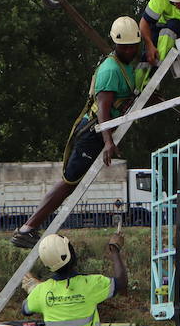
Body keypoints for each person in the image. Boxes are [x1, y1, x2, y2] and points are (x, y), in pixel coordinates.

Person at [11, 17, 147, 248]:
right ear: (115, 44)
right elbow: (103, 110)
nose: (129, 50)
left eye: (133, 46)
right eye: (124, 46)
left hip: (101, 132)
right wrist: (107, 142)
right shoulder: (110, 69)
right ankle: (27, 229)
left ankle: (29, 228)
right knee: (68, 182)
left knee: (70, 183)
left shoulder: (127, 65)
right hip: (93, 133)